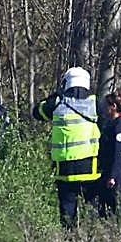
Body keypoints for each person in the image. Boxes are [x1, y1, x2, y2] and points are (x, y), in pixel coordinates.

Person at [32, 67, 101, 229]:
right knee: (92, 210)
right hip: (89, 168)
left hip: (65, 168)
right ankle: (94, 239)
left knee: (67, 212)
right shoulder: (95, 103)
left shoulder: (56, 103)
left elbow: (37, 112)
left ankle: (69, 240)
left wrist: (54, 95)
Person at [97, 93, 121, 218]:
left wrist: (113, 176)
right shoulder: (108, 124)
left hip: (116, 175)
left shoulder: (119, 126)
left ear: (113, 107)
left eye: (106, 106)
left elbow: (119, 152)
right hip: (106, 171)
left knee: (119, 208)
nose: (104, 109)